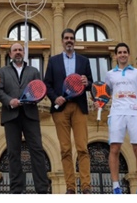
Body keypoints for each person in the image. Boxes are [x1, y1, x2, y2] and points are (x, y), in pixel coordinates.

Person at [97, 42, 137, 194]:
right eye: (119, 52)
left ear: (128, 54)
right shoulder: (110, 74)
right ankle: (116, 187)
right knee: (114, 148)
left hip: (135, 113)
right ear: (115, 56)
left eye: (125, 52)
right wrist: (99, 103)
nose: (122, 55)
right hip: (117, 113)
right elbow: (105, 94)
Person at [44, 28, 93, 194]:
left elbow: (91, 83)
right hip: (61, 108)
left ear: (75, 41)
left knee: (82, 148)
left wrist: (88, 82)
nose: (69, 41)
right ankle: (70, 188)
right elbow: (47, 84)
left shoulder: (84, 61)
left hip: (79, 107)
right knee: (65, 149)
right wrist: (54, 97)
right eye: (66, 38)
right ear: (62, 41)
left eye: (71, 38)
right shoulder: (53, 61)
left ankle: (86, 187)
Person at [0, 42, 49, 194]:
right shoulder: (2, 71)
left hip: (30, 115)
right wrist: (9, 101)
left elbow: (40, 90)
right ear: (10, 54)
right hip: (11, 115)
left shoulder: (33, 71)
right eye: (15, 50)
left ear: (24, 53)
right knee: (13, 152)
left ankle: (42, 190)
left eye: (20, 50)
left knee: (37, 151)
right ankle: (16, 190)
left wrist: (32, 99)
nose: (18, 52)